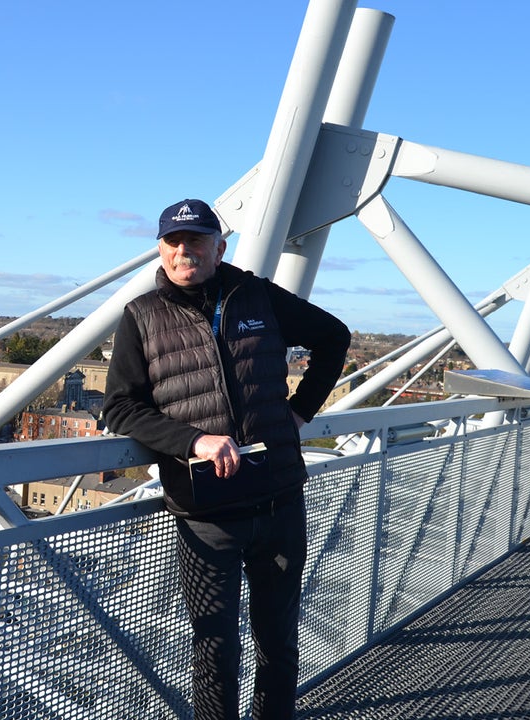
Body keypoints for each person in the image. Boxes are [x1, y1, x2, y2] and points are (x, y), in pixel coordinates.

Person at [102, 198, 350, 720]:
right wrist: (194, 440)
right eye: (173, 241)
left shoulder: (256, 295)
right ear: (160, 249)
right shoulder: (142, 317)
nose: (183, 250)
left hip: (279, 499)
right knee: (215, 650)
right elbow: (120, 408)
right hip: (206, 513)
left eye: (195, 239)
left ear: (220, 246)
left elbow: (334, 338)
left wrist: (299, 412)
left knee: (278, 642)